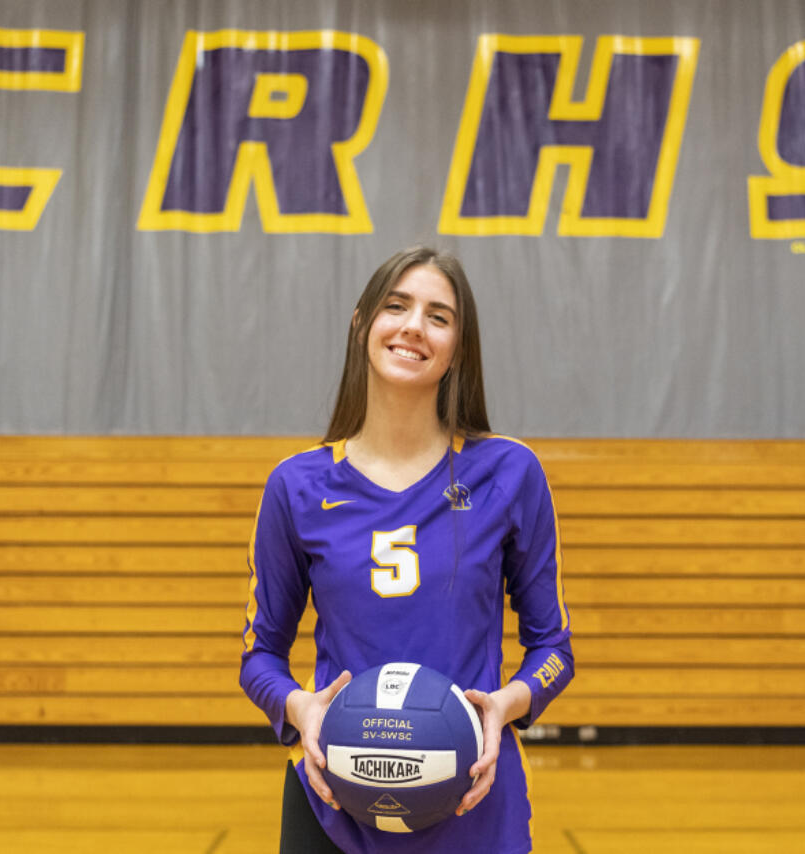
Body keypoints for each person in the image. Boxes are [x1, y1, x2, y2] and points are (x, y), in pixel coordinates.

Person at [239, 246, 574, 853]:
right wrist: (301, 710)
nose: (414, 326)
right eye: (397, 306)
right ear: (362, 324)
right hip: (333, 811)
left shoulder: (509, 473)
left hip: (474, 808)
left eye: (438, 316)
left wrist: (504, 705)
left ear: (458, 351)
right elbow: (259, 655)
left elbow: (553, 649)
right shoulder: (298, 487)